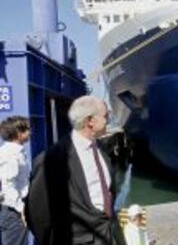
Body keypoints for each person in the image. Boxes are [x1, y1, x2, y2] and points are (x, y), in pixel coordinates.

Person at [25, 96, 125, 245]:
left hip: (107, 236)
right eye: (106, 116)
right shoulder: (52, 160)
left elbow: (108, 194)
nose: (109, 120)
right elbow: (38, 213)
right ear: (90, 121)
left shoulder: (101, 151)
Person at [0, 116, 31, 245]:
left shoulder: (14, 152)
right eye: (27, 129)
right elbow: (8, 186)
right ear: (19, 133)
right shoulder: (11, 154)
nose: (30, 132)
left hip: (13, 209)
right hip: (13, 211)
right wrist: (21, 209)